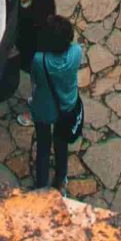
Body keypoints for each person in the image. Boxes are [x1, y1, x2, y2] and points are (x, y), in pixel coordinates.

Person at [28, 13, 85, 191]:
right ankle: (61, 178)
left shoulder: (40, 60)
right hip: (67, 105)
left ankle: (41, 185)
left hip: (44, 108)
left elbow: (35, 80)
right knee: (61, 145)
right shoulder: (76, 52)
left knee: (43, 146)